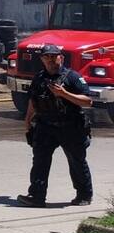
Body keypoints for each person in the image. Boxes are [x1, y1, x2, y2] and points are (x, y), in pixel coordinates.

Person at [17, 44, 94, 208]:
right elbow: (33, 100)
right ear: (42, 59)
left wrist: (64, 94)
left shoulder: (72, 77)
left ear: (61, 58)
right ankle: (36, 196)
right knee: (40, 161)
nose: (51, 60)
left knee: (77, 161)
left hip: (70, 126)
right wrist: (27, 121)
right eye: (47, 57)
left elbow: (88, 102)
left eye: (54, 56)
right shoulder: (39, 78)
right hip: (45, 126)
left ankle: (84, 195)